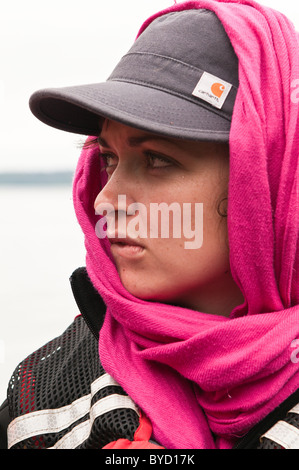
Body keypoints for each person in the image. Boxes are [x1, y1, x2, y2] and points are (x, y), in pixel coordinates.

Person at [0, 0, 298, 450]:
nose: (105, 199)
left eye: (157, 159)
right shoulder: (42, 391)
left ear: (265, 181)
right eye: (108, 158)